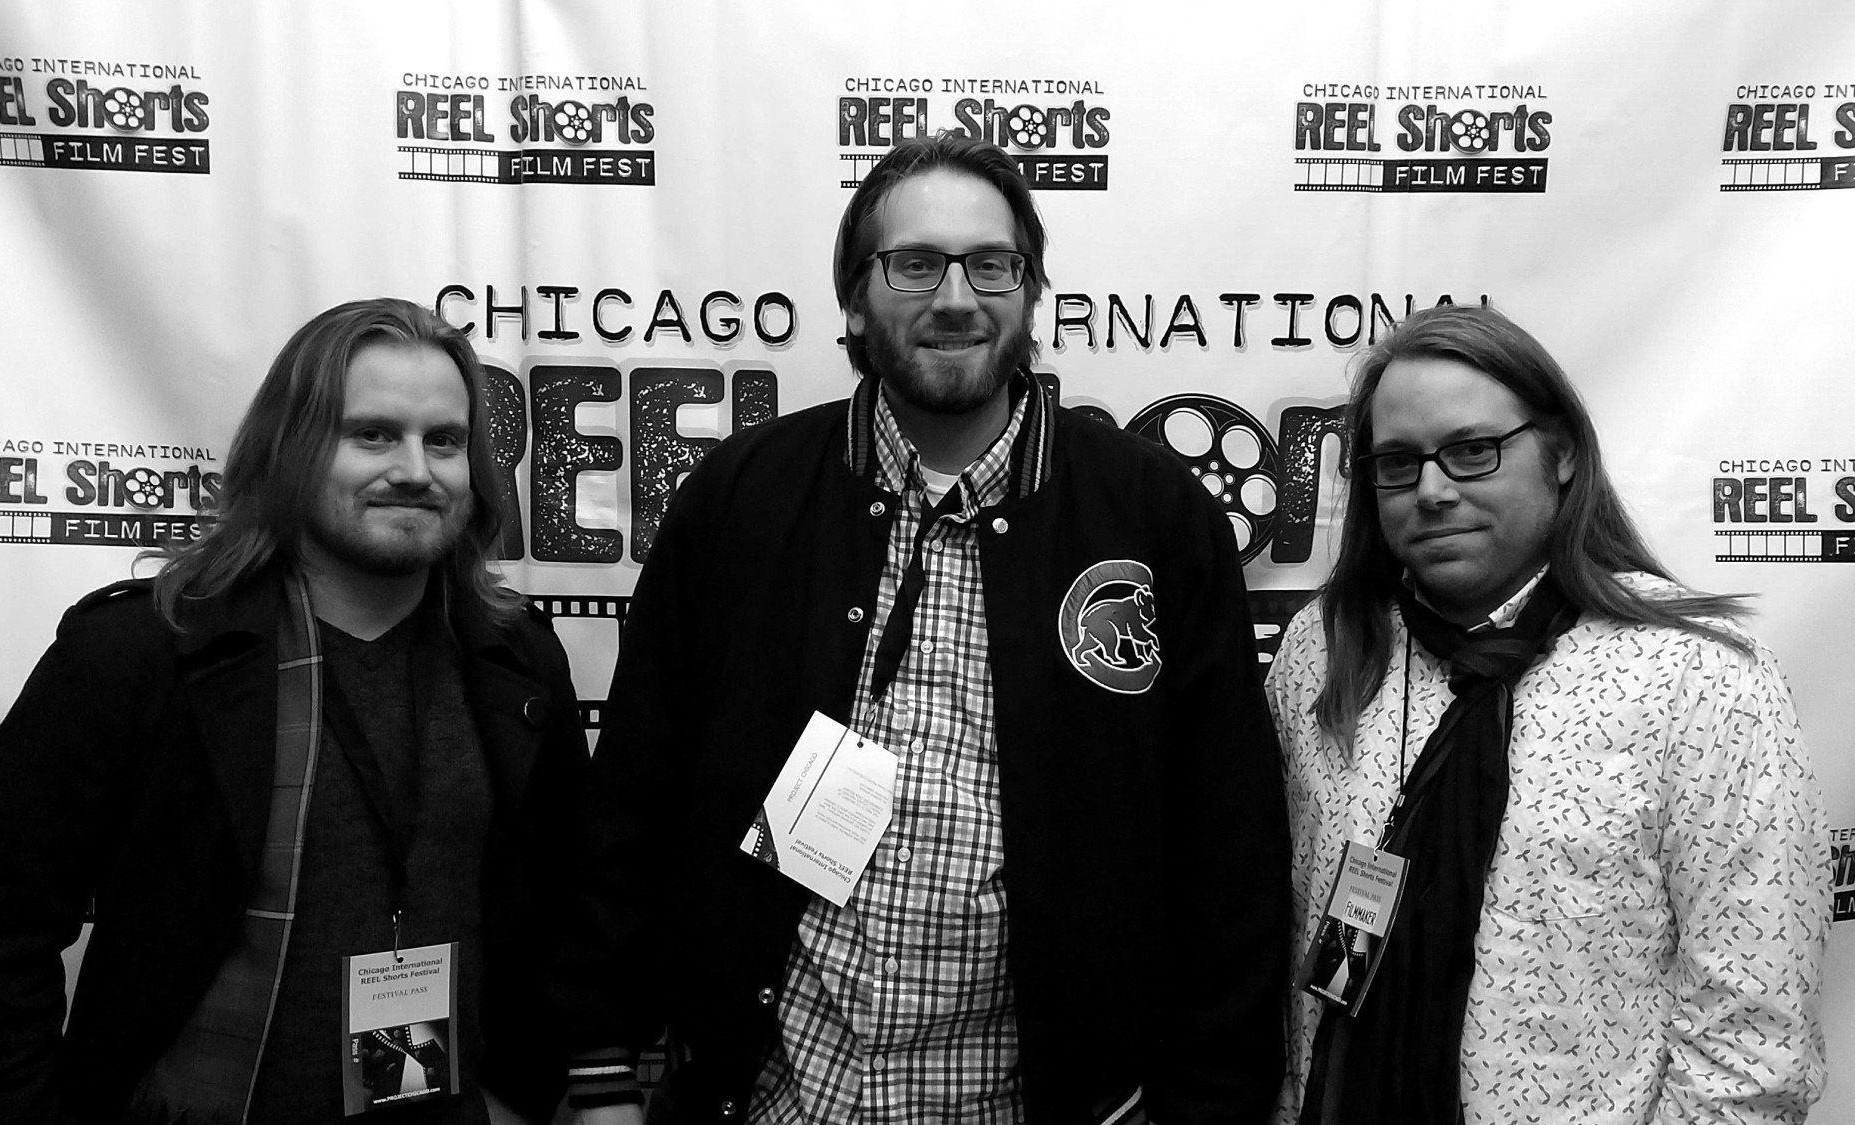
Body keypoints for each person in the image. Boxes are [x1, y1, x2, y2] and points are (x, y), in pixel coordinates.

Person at [566, 133, 1290, 1124]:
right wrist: (601, 1060)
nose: (955, 298)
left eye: (991, 265)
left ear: (1031, 293)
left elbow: (1229, 840)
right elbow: (635, 792)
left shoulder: (1152, 517)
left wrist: (1204, 1102)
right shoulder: (743, 498)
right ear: (854, 298)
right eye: (914, 264)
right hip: (777, 1100)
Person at [0, 299, 632, 1124]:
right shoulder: (144, 654)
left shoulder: (515, 661)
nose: (415, 469)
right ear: (291, 448)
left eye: (444, 440)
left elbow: (568, 905)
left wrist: (522, 1094)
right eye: (373, 434)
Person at [1267, 304, 1828, 1125]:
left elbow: (1750, 1041)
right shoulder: (1324, 648)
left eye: (1472, 450)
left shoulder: (1699, 677)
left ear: (1561, 452)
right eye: (1398, 462)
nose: (1432, 490)